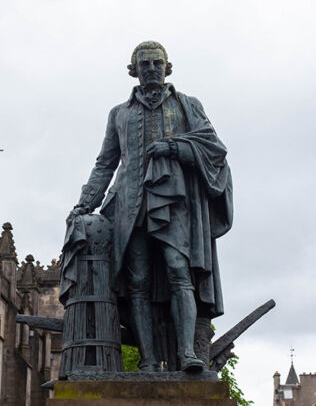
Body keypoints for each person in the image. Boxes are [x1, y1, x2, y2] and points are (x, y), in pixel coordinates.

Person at [67, 41, 233, 372]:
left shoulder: (188, 106)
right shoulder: (119, 114)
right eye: (144, 64)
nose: (152, 69)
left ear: (167, 67)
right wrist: (85, 203)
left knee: (178, 271)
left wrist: (174, 147)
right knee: (138, 281)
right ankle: (147, 360)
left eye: (157, 63)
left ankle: (187, 354)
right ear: (135, 70)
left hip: (173, 201)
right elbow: (105, 164)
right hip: (129, 204)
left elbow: (213, 148)